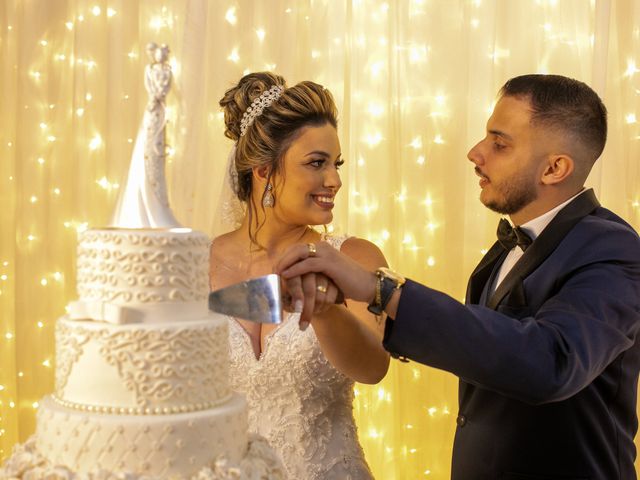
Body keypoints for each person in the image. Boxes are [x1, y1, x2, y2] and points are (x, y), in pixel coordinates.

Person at [276, 74, 640, 479]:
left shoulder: (616, 251)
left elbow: (550, 364)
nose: (475, 152)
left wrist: (380, 289)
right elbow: (485, 358)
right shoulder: (503, 248)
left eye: (499, 144)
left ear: (555, 168)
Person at [210, 72, 389, 479]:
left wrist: (327, 313)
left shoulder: (355, 257)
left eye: (336, 164)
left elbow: (373, 367)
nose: (335, 180)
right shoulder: (196, 262)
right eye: (316, 163)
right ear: (262, 171)